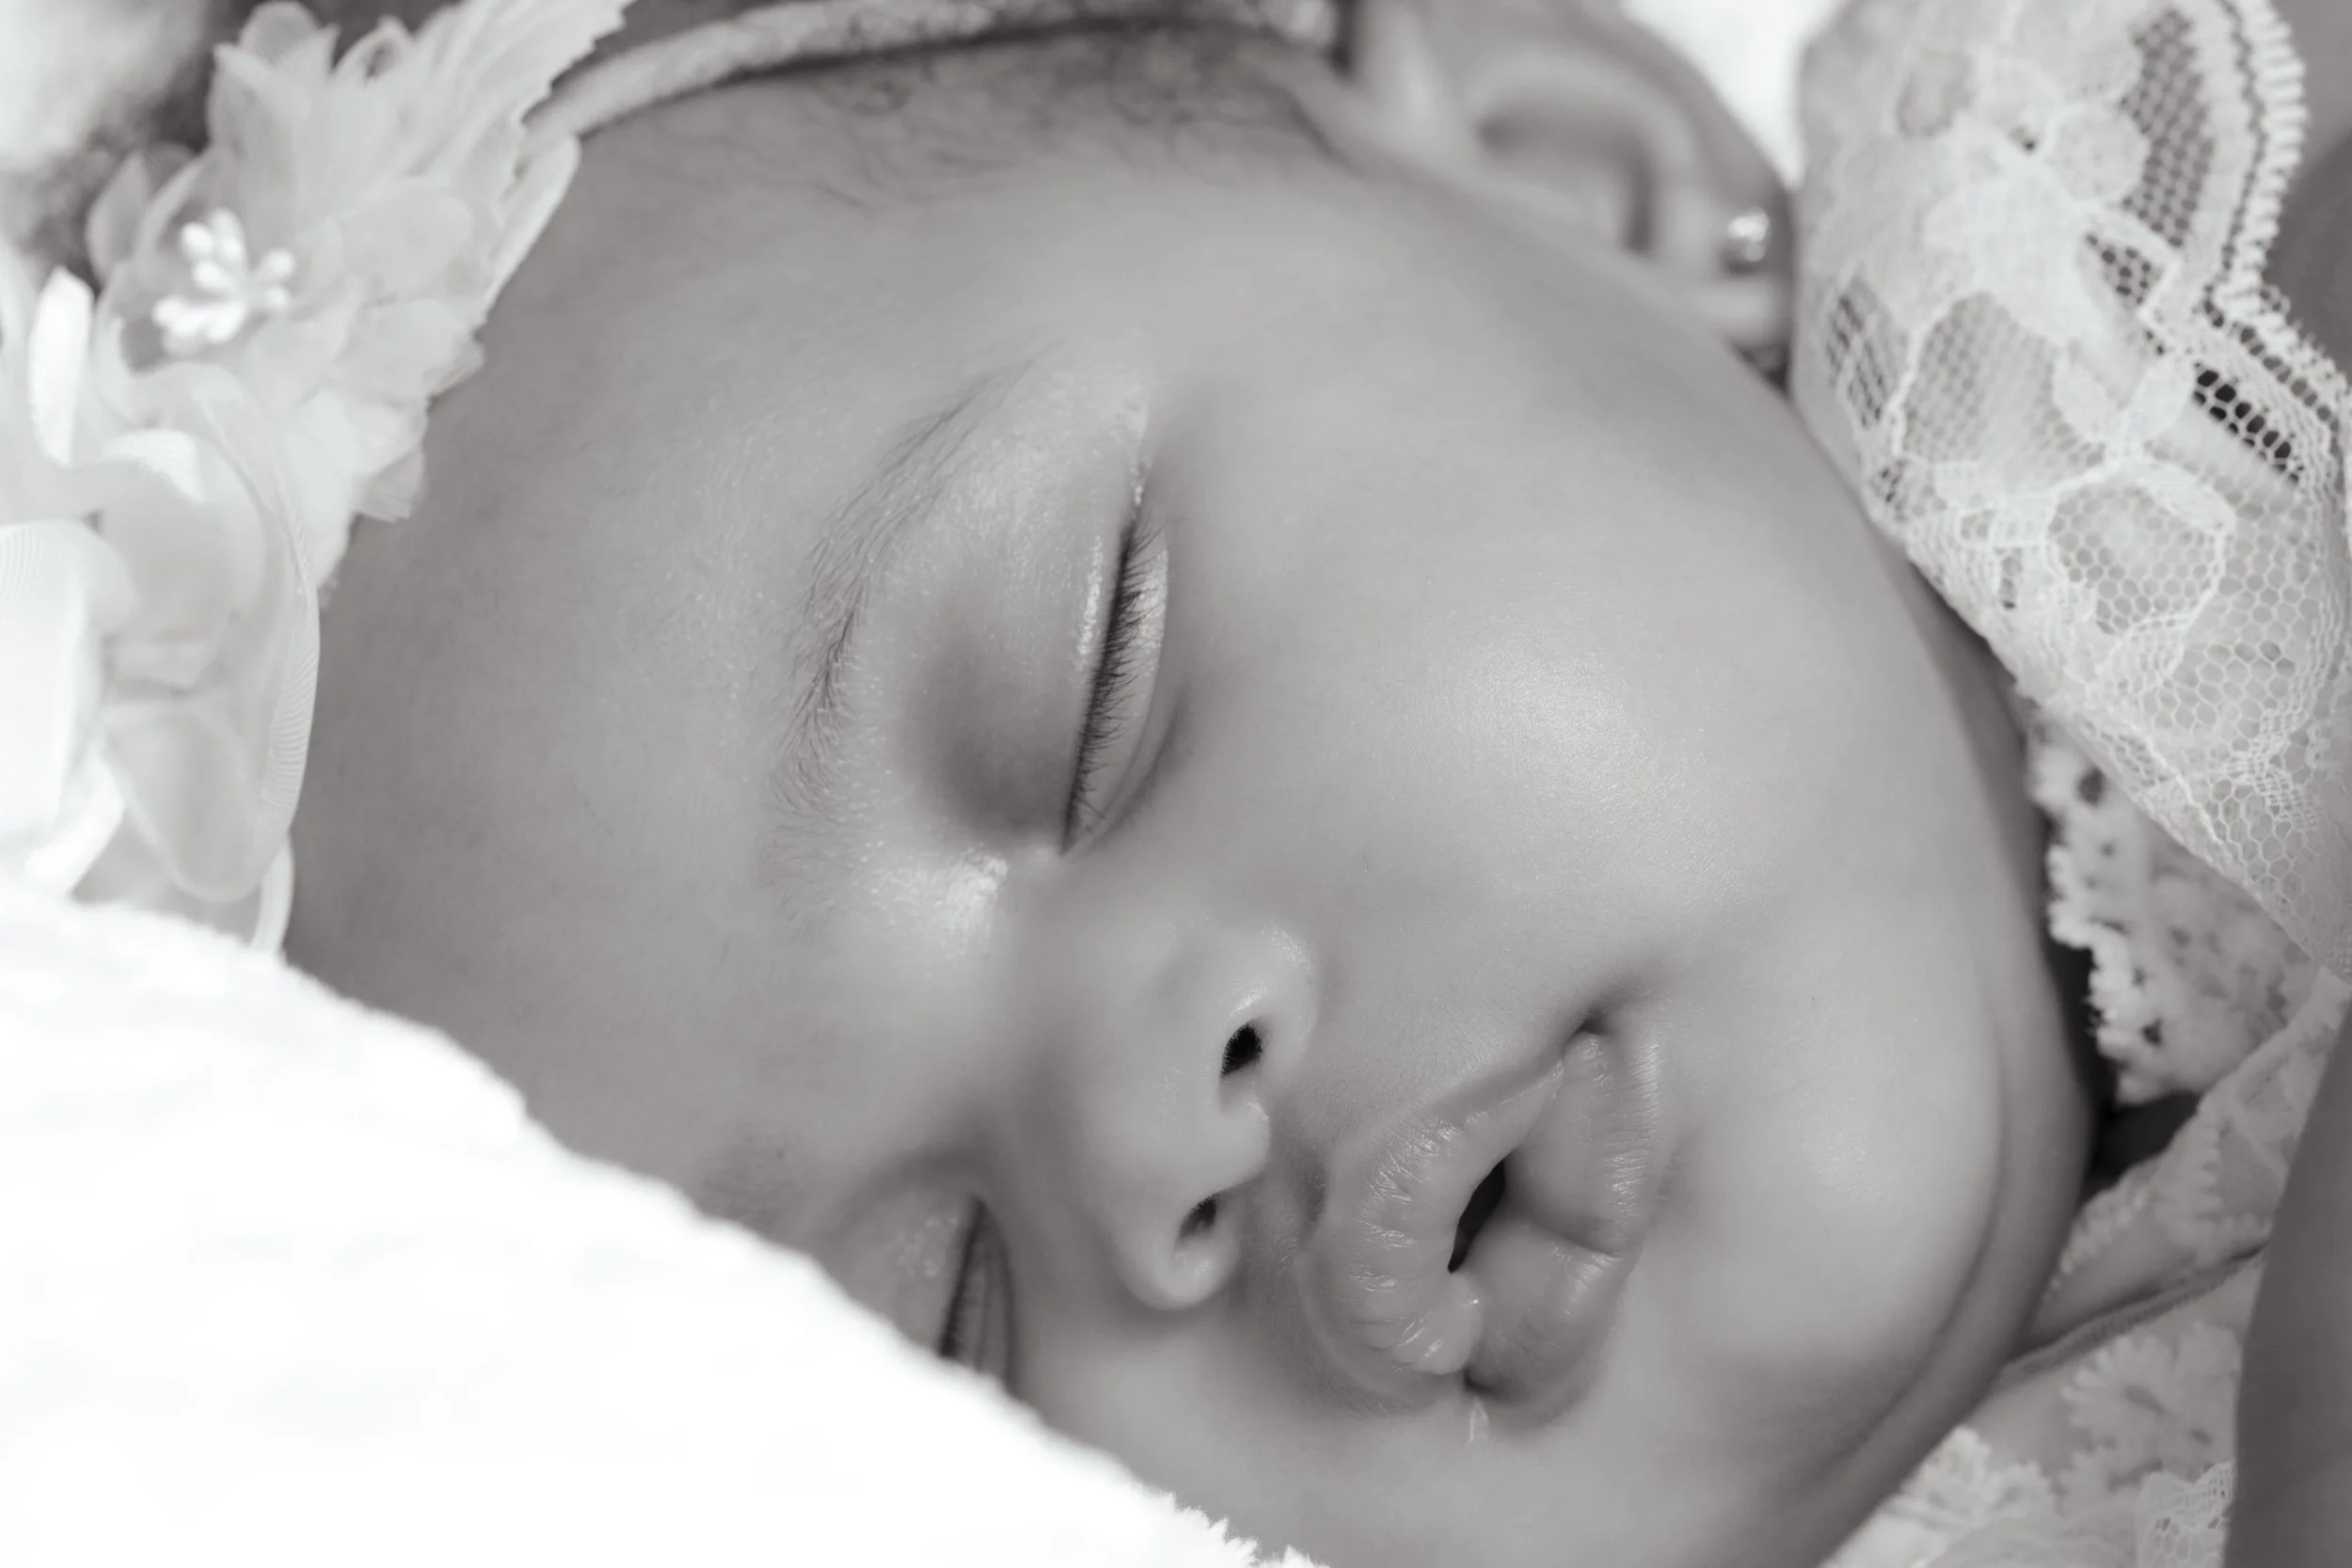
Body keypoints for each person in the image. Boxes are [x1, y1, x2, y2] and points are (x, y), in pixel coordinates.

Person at [5, 0, 2345, 1564]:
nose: (1142, 1130)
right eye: (951, 1319)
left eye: (1093, 688)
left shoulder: (2157, 256)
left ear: (1571, 167)